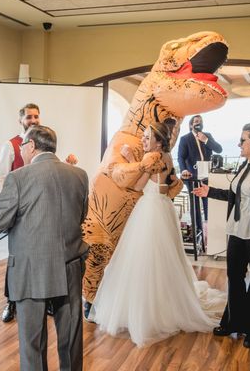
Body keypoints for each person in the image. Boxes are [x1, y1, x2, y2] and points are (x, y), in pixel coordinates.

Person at [92, 122, 224, 347]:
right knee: (162, 259)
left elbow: (137, 186)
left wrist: (127, 160)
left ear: (159, 141)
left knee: (145, 259)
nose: (143, 141)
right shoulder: (166, 157)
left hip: (150, 209)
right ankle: (164, 303)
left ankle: (148, 311)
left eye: (146, 138)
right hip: (162, 206)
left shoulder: (152, 158)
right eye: (143, 137)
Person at [0, 125, 89, 370]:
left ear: (31, 146)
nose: (21, 151)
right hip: (70, 266)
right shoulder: (79, 175)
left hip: (31, 269)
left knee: (33, 342)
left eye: (22, 146)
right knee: (71, 337)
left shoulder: (18, 177)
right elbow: (81, 215)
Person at [192, 123, 250, 348]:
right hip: (236, 231)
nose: (239, 144)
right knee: (235, 278)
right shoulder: (245, 165)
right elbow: (237, 196)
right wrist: (210, 192)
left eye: (243, 140)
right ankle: (233, 322)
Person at [0, 103, 40, 322]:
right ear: (21, 120)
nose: (33, 120)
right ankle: (10, 302)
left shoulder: (44, 143)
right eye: (29, 117)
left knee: (39, 256)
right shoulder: (10, 145)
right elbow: (1, 178)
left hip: (40, 209)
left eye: (36, 116)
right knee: (15, 258)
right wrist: (10, 206)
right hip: (19, 210)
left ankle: (44, 300)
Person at [178, 115, 223, 226]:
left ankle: (210, 228)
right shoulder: (185, 139)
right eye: (196, 121)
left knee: (208, 203)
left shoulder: (208, 136)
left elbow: (219, 149)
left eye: (201, 121)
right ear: (191, 125)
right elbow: (181, 157)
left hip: (208, 175)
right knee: (195, 205)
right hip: (192, 176)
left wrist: (206, 140)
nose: (199, 123)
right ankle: (198, 228)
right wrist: (183, 170)